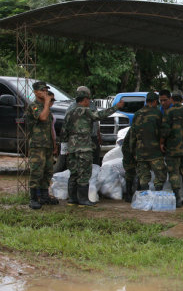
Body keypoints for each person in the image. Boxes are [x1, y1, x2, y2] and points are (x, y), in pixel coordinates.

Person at [61, 90, 123, 206]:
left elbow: (64, 131)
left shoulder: (70, 112)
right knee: (84, 173)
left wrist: (64, 149)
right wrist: (116, 107)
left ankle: (72, 199)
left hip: (72, 147)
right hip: (84, 148)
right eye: (88, 100)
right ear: (84, 100)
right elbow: (101, 115)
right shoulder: (86, 111)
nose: (89, 102)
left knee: (74, 173)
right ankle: (83, 200)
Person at [25, 81, 56, 209]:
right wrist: (47, 103)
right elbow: (42, 118)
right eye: (42, 90)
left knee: (47, 171)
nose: (45, 92)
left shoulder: (45, 107)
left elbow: (50, 128)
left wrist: (54, 144)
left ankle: (44, 196)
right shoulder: (34, 106)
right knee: (36, 171)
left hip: (47, 145)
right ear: (36, 92)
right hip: (37, 145)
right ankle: (33, 198)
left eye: (46, 90)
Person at [161, 90, 183, 207]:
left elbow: (165, 131)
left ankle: (177, 200)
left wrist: (162, 143)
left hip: (172, 149)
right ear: (182, 100)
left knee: (174, 173)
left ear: (172, 99)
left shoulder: (169, 112)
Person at [132, 92, 167, 191]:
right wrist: (163, 144)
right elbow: (163, 131)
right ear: (155, 101)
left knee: (143, 176)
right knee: (160, 175)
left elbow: (132, 134)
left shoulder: (137, 114)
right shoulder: (157, 114)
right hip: (154, 151)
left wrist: (133, 150)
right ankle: (158, 195)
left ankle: (144, 198)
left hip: (141, 151)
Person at [122, 126, 137, 203]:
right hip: (129, 151)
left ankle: (137, 192)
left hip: (136, 150)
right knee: (130, 171)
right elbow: (131, 142)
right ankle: (128, 194)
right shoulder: (135, 128)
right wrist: (134, 154)